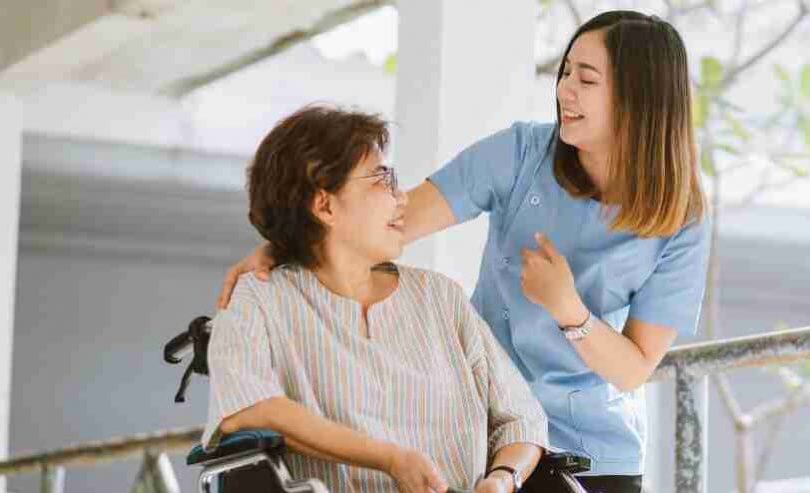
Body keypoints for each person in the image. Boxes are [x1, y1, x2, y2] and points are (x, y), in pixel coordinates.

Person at [218, 11, 709, 493]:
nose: (563, 90)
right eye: (564, 72)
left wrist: (567, 309)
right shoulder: (520, 154)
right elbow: (391, 220)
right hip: (490, 435)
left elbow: (634, 368)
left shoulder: (681, 217)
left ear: (638, 98)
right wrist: (288, 236)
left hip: (592, 451)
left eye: (586, 79)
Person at [205, 105, 548, 493]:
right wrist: (389, 458)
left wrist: (504, 479)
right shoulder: (260, 299)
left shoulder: (441, 298)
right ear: (325, 205)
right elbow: (248, 407)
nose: (401, 198)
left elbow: (523, 419)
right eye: (382, 179)